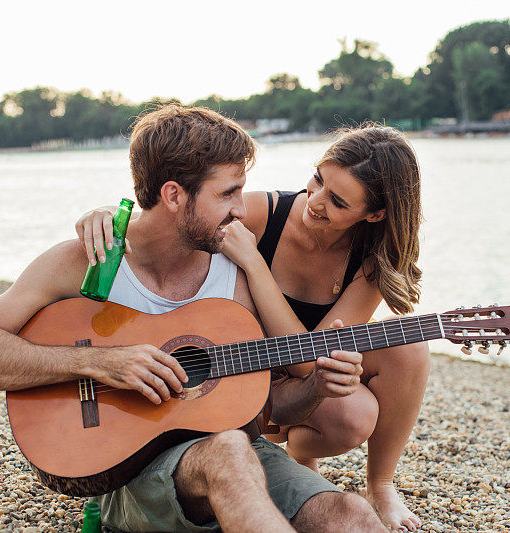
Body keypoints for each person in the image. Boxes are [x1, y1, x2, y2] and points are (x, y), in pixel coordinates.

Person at [0, 105, 389, 533]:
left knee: (351, 513)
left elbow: (265, 411)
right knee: (227, 451)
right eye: (228, 192)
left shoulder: (234, 275)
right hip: (122, 469)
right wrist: (99, 362)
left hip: (238, 457)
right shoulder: (87, 260)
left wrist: (315, 388)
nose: (240, 210)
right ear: (174, 195)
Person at [76, 124, 430, 531]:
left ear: (374, 214)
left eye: (336, 201)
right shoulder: (266, 213)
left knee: (405, 355)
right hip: (235, 369)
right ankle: (297, 461)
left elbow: (309, 361)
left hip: (296, 366)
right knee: (350, 411)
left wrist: (255, 265)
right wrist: (104, 216)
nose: (313, 200)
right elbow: (174, 218)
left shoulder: (372, 259)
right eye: (317, 179)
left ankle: (380, 483)